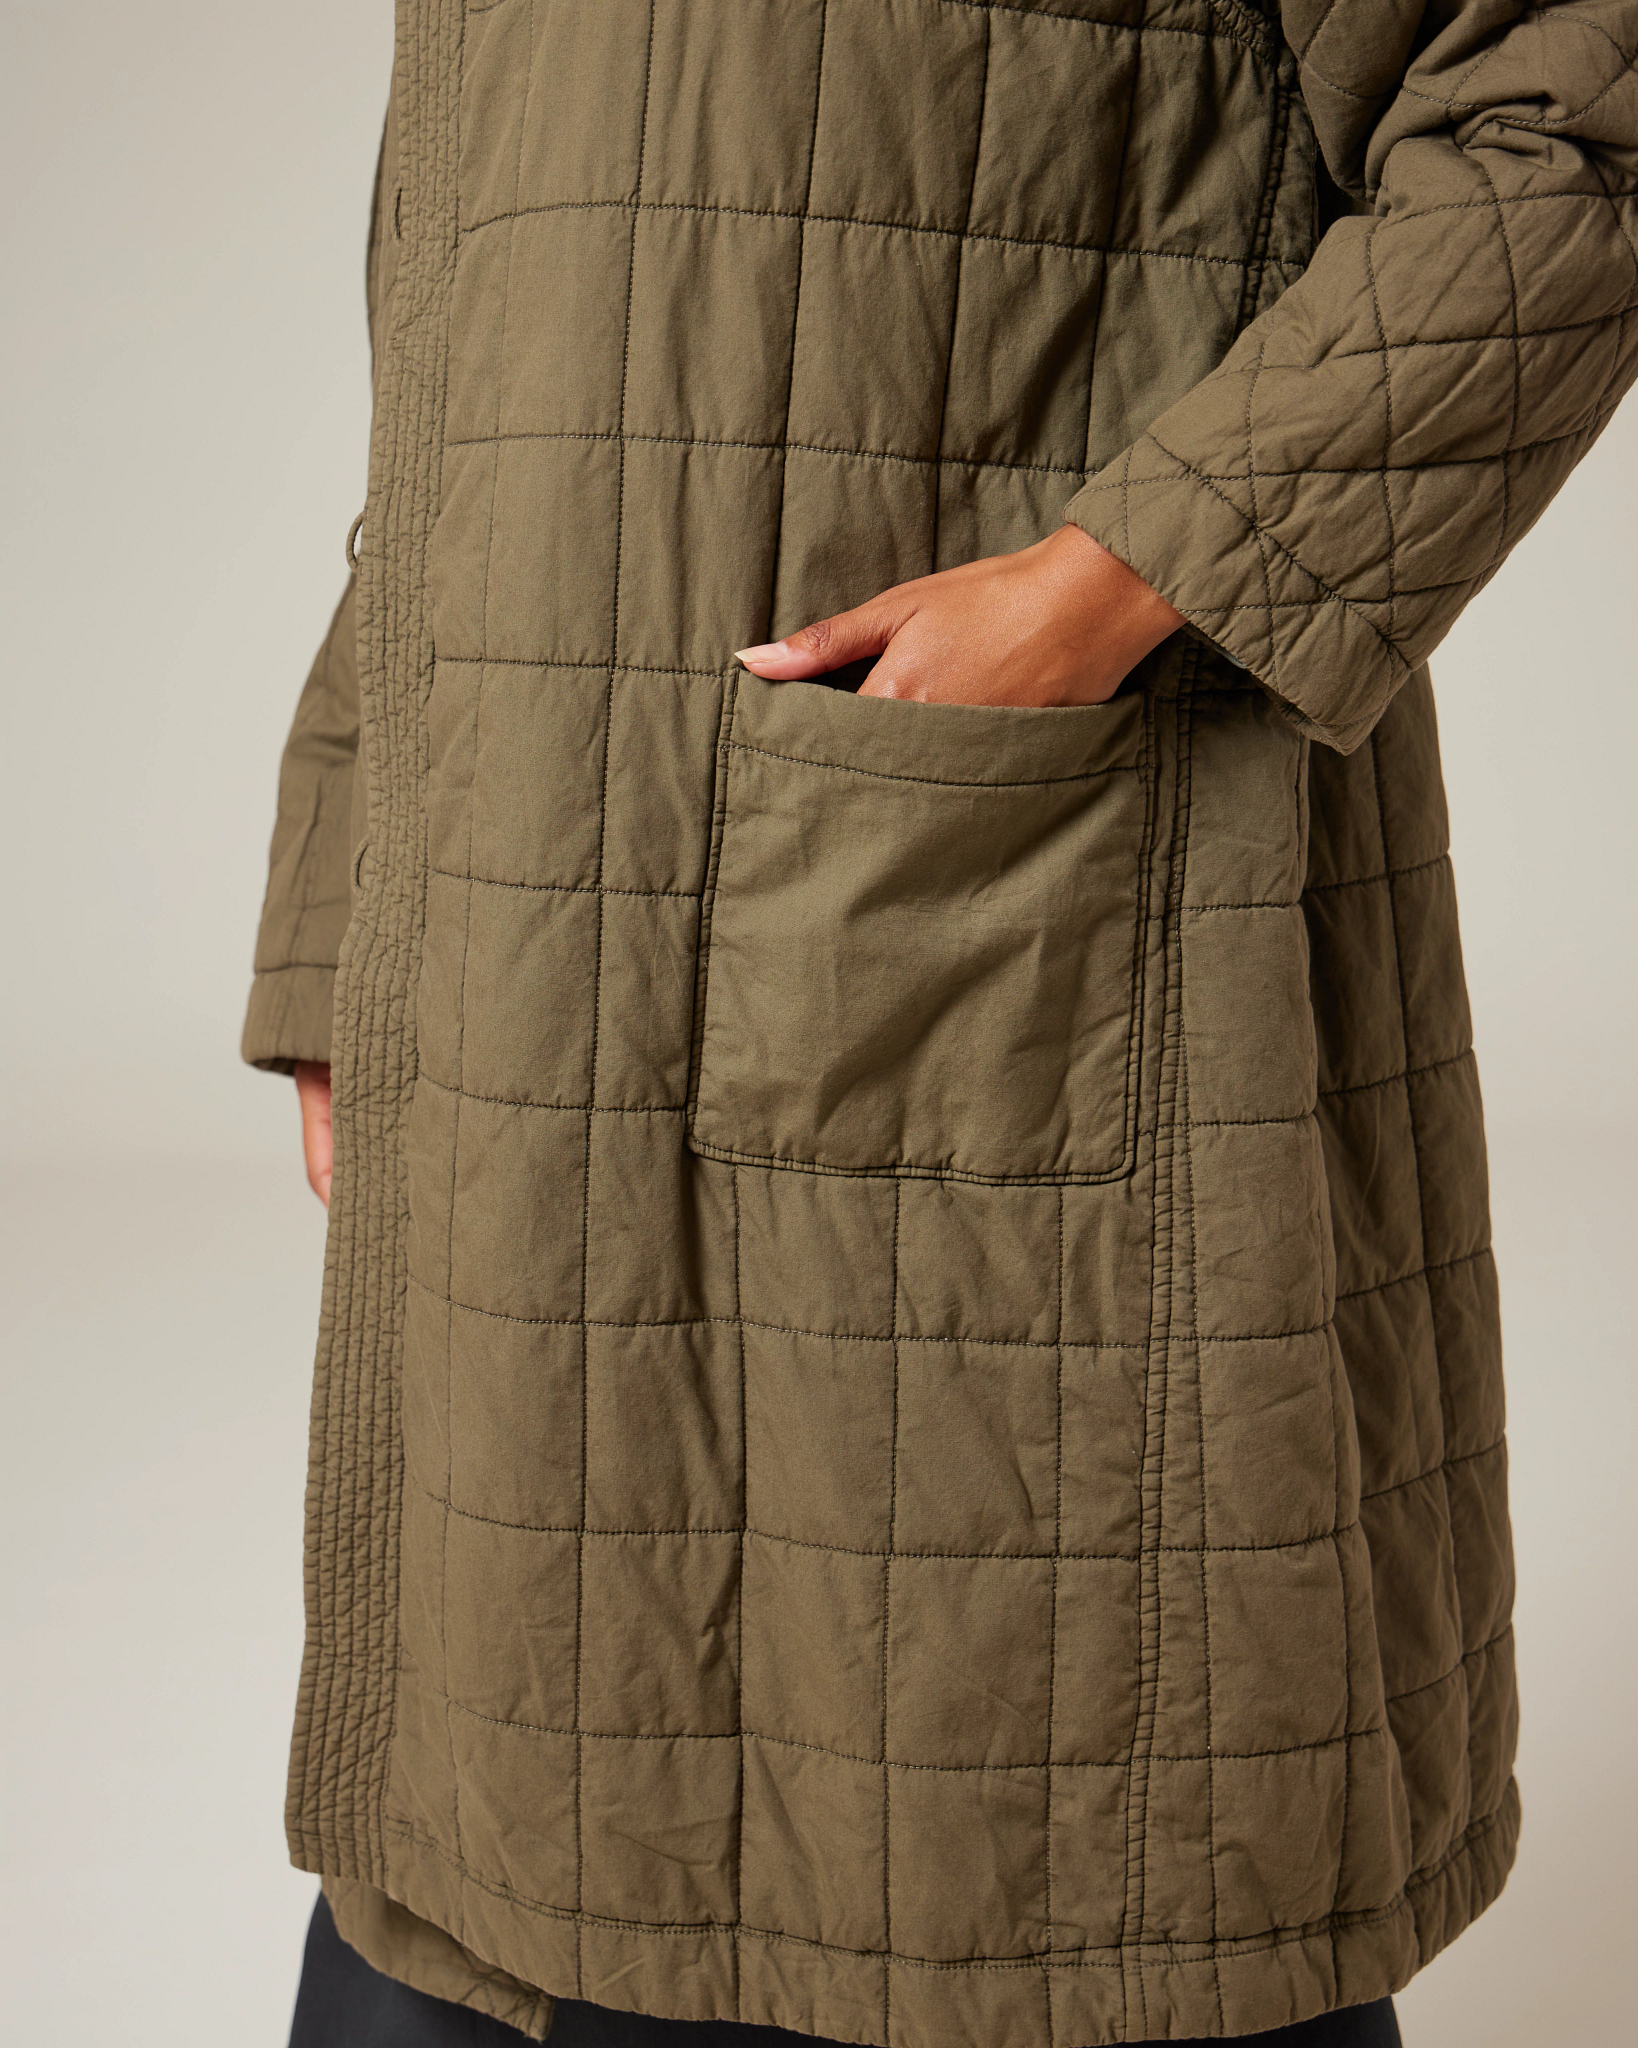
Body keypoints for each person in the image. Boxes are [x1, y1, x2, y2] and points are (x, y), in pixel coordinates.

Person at [245, 1, 1637, 2043]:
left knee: (1048, 1845)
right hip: (511, 957)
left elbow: (1573, 124)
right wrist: (343, 900)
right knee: (496, 1805)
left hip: (1009, 940)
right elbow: (474, 339)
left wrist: (1112, 583)